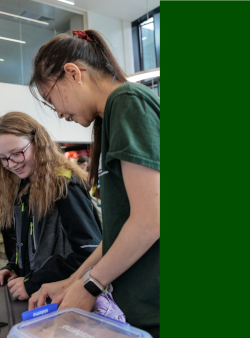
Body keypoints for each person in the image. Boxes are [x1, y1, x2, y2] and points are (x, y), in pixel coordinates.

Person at [27, 30, 160, 337]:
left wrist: (91, 285)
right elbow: (117, 230)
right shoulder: (114, 113)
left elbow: (150, 220)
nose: (59, 114)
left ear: (73, 73)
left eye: (52, 101)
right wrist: (73, 281)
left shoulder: (126, 102)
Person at [0, 112, 103, 301]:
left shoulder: (64, 185)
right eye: (2, 158)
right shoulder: (24, 184)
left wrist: (33, 281)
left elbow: (89, 252)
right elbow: (27, 244)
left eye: (16, 153)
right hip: (37, 296)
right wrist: (13, 268)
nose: (10, 164)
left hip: (63, 297)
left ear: (38, 143)